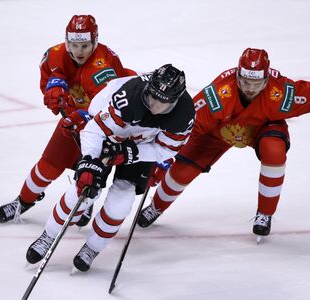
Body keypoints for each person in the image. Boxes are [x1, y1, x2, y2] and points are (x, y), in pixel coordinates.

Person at [137, 48, 310, 238]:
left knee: (274, 151)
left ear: (267, 78)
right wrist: (162, 157)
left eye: (256, 83)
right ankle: (157, 206)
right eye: (245, 82)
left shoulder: (281, 93)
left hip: (263, 127)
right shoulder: (218, 96)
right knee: (181, 171)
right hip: (217, 132)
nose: (250, 88)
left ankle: (265, 214)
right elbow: (187, 127)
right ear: (238, 75)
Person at [25, 64, 195, 271]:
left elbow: (165, 150)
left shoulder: (184, 113)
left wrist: (132, 153)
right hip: (108, 135)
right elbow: (94, 131)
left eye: (164, 102)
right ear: (148, 87)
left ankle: (92, 247)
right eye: (152, 97)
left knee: (121, 202)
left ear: (176, 101)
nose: (155, 105)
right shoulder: (127, 97)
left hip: (142, 147)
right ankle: (48, 236)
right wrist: (89, 162)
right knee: (83, 191)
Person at [0, 14, 135, 225]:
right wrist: (53, 91)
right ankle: (22, 202)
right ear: (67, 41)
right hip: (71, 122)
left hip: (103, 129)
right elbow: (47, 84)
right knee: (48, 164)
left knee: (89, 171)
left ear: (95, 41)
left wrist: (83, 115)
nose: (79, 51)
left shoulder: (105, 66)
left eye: (85, 45)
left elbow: (110, 108)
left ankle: (86, 202)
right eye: (74, 45)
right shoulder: (54, 55)